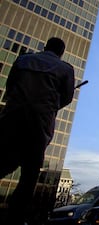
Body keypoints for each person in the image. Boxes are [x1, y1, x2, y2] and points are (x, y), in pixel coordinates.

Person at [0, 37, 75, 225]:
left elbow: (10, 88)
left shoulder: (23, 60)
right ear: (62, 53)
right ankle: (14, 218)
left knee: (3, 162)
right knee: (29, 175)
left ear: (44, 47)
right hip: (37, 126)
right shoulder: (65, 69)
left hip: (10, 120)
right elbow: (66, 98)